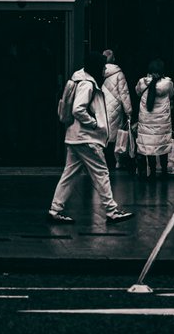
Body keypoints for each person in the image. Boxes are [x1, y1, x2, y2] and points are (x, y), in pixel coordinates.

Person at [47, 50, 132, 224]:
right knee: (101, 172)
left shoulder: (80, 80)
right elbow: (78, 109)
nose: (103, 71)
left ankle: (55, 209)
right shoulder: (87, 84)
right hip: (87, 137)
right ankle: (111, 210)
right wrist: (94, 123)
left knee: (69, 174)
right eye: (102, 67)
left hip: (75, 136)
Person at [134, 58, 174, 179]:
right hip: (162, 123)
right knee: (162, 145)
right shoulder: (168, 84)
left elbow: (137, 92)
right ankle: (164, 171)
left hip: (146, 122)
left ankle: (151, 171)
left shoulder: (142, 83)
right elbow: (171, 94)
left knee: (149, 146)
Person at [100, 49, 132, 173]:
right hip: (115, 108)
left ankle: (102, 161)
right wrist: (129, 111)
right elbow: (124, 93)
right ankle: (117, 162)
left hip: (101, 106)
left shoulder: (99, 72)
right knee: (117, 136)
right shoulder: (119, 74)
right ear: (114, 59)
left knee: (103, 134)